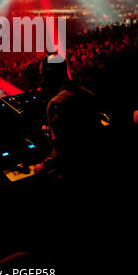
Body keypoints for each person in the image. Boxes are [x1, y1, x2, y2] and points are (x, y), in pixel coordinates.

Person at [34, 53, 100, 181]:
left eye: (42, 75)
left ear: (49, 73)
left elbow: (62, 151)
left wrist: (42, 166)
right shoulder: (88, 94)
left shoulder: (56, 104)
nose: (42, 79)